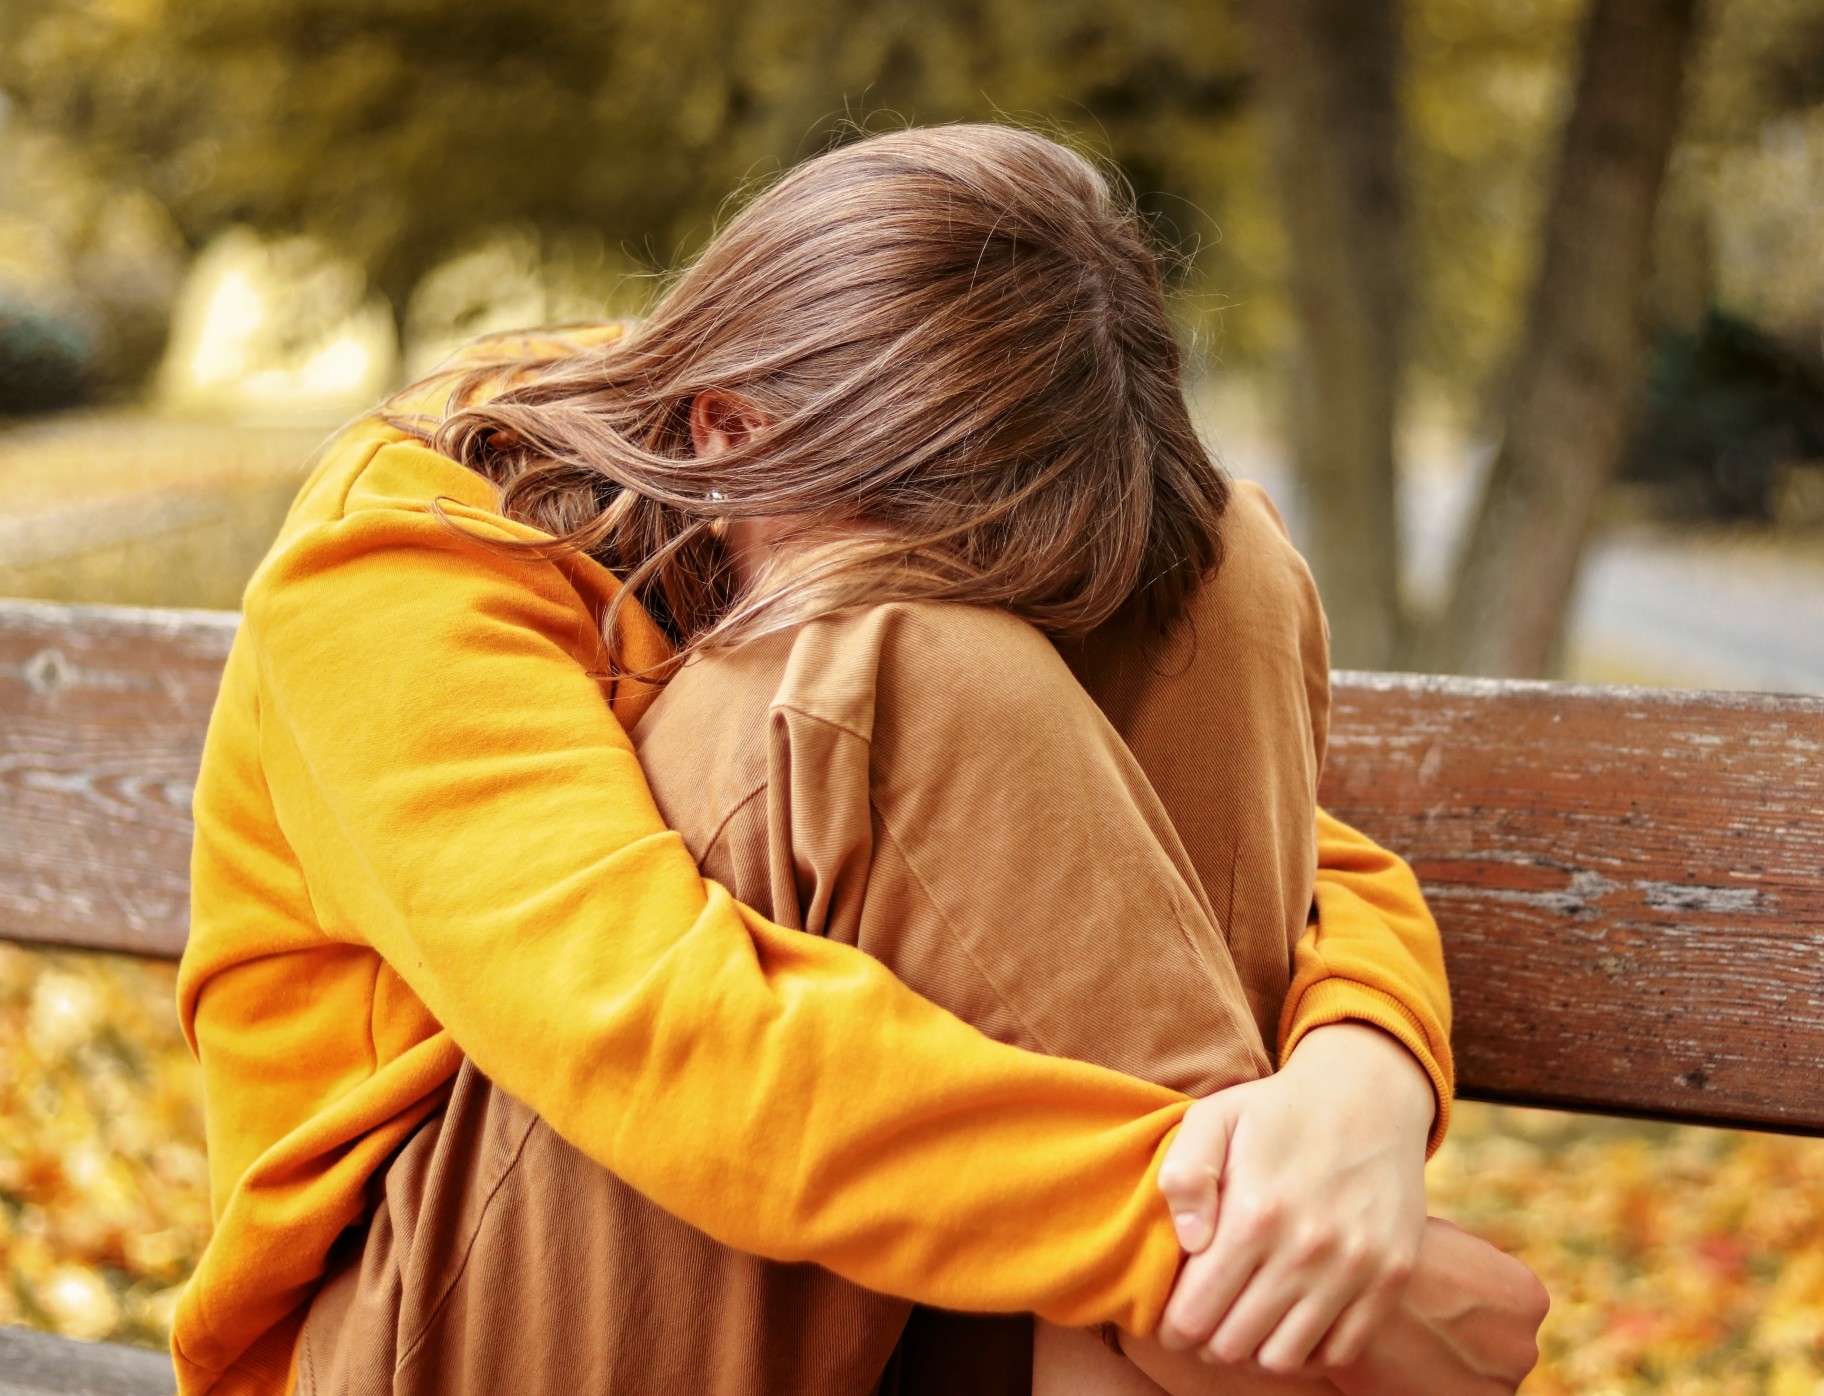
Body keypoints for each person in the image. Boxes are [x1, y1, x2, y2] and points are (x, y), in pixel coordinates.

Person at [178, 123, 1543, 1396]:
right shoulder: (402, 558)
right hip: (438, 1318)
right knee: (902, 664)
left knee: (1216, 571)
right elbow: (652, 1028)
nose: (999, 652)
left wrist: (1360, 1076)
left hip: (903, 1271)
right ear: (726, 435)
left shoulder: (875, 458)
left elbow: (1309, 859)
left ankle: (1237, 1334)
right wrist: (1205, 1251)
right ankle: (1272, 1348)